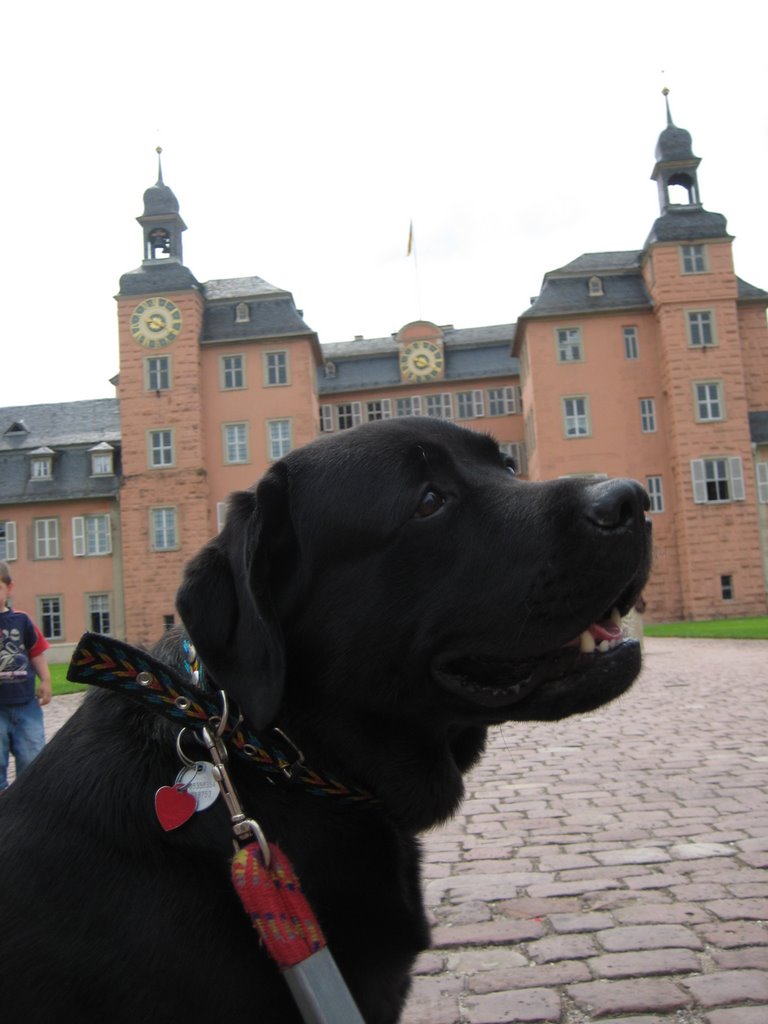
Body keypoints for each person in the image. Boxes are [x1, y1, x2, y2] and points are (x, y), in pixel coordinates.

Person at [0, 561, 52, 790]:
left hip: (26, 706)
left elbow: (36, 651)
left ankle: (28, 797)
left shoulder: (22, 621)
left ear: (9, 588)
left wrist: (46, 680)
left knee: (32, 756)